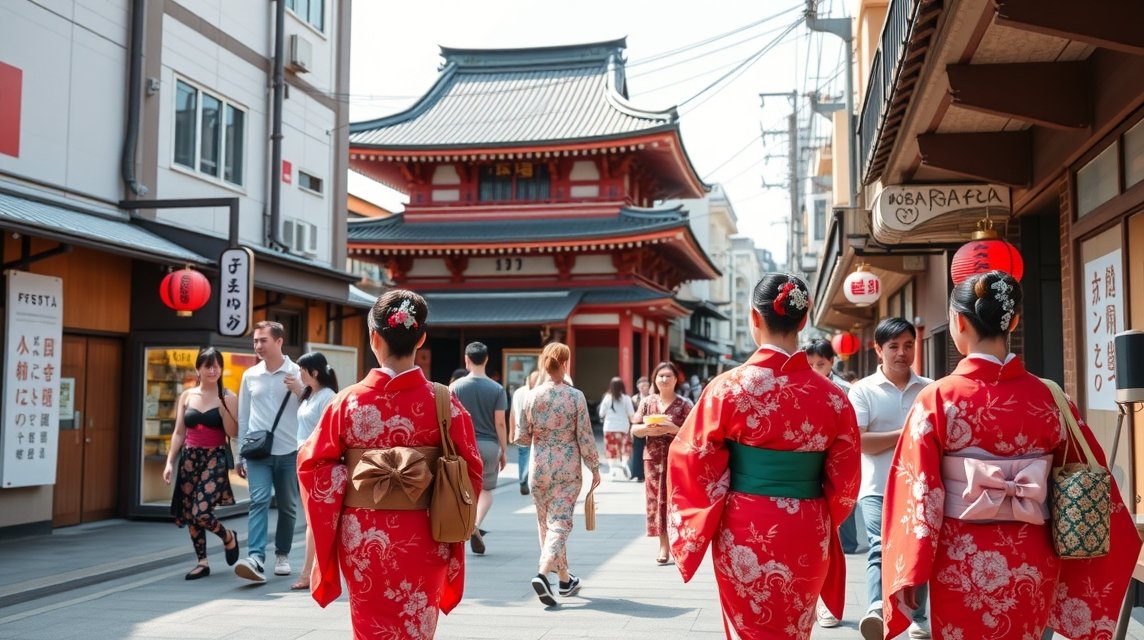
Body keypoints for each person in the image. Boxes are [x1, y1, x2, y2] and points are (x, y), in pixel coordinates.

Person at [880, 271, 1140, 640]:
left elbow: (919, 495)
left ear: (958, 322)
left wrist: (912, 568)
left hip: (961, 556)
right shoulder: (1051, 398)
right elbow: (1086, 477)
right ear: (1013, 321)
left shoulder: (938, 398)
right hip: (1032, 555)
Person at [666, 274, 860, 640]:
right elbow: (846, 481)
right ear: (804, 321)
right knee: (795, 628)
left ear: (754, 317)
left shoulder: (727, 388)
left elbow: (691, 458)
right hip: (807, 524)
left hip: (744, 524)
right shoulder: (833, 397)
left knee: (749, 628)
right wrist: (819, 511)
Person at [297, 290, 483, 638]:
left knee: (369, 628)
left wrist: (357, 476)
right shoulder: (444, 402)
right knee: (417, 626)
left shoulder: (346, 403)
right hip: (426, 533)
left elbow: (312, 466)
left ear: (374, 338)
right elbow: (471, 470)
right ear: (421, 338)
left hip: (363, 536)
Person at [849, 317, 933, 639]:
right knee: (878, 548)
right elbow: (861, 442)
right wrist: (907, 433)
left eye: (908, 345)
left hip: (920, 486)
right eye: (894, 346)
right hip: (876, 487)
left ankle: (918, 616)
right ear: (878, 350)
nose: (902, 353)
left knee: (919, 549)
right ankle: (875, 608)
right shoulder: (862, 391)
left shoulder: (928, 389)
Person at [514, 342, 601, 606]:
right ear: (565, 364)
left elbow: (521, 437)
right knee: (561, 523)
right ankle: (542, 574)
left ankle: (564, 580)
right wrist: (594, 467)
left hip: (539, 467)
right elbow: (585, 436)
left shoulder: (531, 396)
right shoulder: (575, 397)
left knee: (546, 525)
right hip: (567, 468)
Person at [234, 320, 305, 584]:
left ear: (279, 341)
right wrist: (240, 453)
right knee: (259, 500)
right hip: (258, 452)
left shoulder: (298, 372)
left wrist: (299, 390)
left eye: (263, 340)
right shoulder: (250, 375)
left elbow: (312, 410)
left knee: (287, 506)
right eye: (255, 341)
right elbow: (243, 417)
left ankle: (282, 554)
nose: (258, 346)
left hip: (289, 451)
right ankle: (255, 557)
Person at [163, 347, 241, 580]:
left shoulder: (228, 396)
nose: (213, 370)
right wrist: (169, 462)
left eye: (217, 365)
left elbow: (232, 432)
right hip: (189, 458)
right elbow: (178, 433)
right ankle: (202, 562)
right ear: (198, 369)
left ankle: (228, 536)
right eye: (208, 365)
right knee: (189, 512)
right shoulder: (187, 396)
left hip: (214, 458)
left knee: (201, 511)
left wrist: (225, 407)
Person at [803, 337, 862, 629]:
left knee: (832, 544)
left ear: (832, 363)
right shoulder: (797, 387)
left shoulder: (845, 391)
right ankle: (809, 600)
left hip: (833, 470)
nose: (815, 369)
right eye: (810, 363)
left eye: (821, 364)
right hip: (805, 473)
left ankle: (828, 604)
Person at [631, 361, 693, 565]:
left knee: (677, 501)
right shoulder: (647, 402)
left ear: (676, 379)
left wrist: (671, 428)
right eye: (660, 376)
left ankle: (681, 544)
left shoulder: (685, 404)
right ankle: (663, 546)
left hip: (678, 459)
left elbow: (693, 432)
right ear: (654, 379)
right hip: (653, 460)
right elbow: (634, 429)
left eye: (668, 376)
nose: (664, 379)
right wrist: (648, 430)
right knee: (657, 502)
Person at [450, 341, 508, 555]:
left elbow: (449, 418)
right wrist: (504, 450)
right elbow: (500, 422)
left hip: (463, 445)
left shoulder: (455, 388)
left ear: (466, 360)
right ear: (486, 360)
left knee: (463, 488)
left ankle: (463, 525)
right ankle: (475, 523)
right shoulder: (497, 389)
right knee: (485, 490)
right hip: (489, 445)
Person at [288, 351, 339, 592]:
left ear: (314, 372)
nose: (299, 374)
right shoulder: (310, 394)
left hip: (316, 462)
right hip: (305, 460)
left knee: (313, 520)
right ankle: (313, 570)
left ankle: (309, 572)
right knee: (312, 519)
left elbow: (328, 433)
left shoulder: (327, 397)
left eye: (302, 370)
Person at [509, 369, 542, 495]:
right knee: (535, 457)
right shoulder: (539, 393)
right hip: (535, 431)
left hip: (519, 430)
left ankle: (523, 479)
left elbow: (512, 412)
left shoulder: (518, 392)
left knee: (523, 455)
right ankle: (531, 480)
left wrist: (511, 432)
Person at [597, 376, 635, 480]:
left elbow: (601, 413)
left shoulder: (607, 397)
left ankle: (612, 470)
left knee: (610, 449)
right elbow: (631, 413)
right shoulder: (626, 398)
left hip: (609, 427)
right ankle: (623, 464)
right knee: (625, 448)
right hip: (623, 428)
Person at [628, 376, 650, 482]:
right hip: (638, 426)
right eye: (641, 387)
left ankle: (648, 472)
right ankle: (637, 474)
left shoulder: (653, 398)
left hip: (650, 426)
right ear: (637, 387)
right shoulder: (634, 399)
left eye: (645, 386)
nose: (643, 388)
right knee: (637, 450)